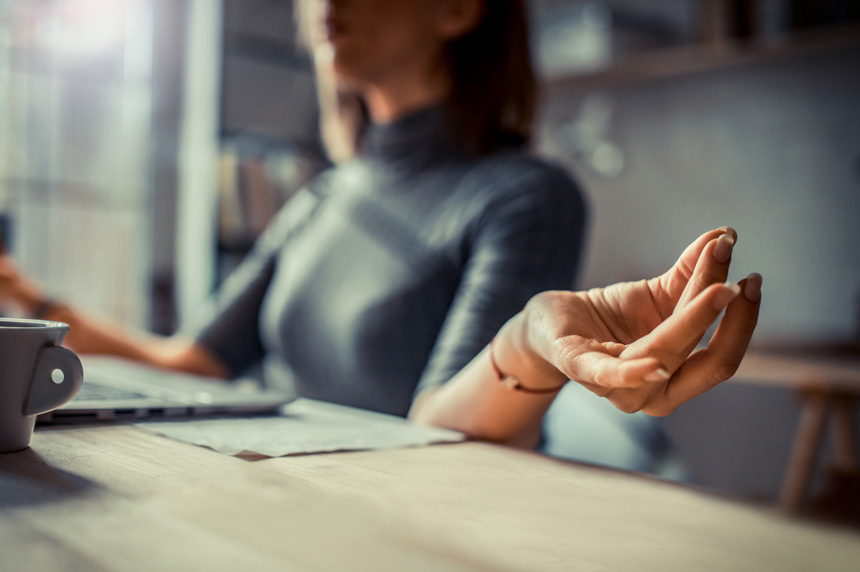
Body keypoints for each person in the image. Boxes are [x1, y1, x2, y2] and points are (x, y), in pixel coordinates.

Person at [0, 0, 760, 450]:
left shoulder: (525, 194)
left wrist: (532, 337)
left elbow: (442, 435)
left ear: (459, 9)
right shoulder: (324, 197)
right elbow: (195, 363)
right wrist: (31, 304)